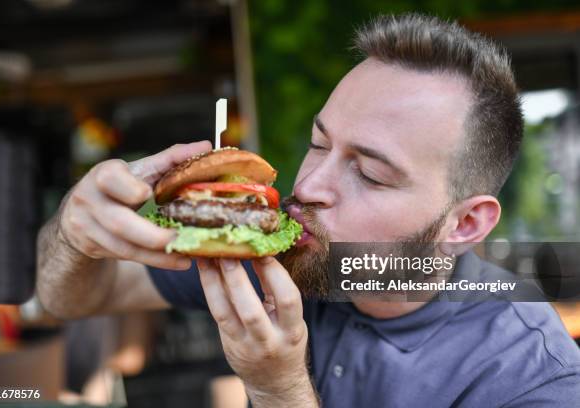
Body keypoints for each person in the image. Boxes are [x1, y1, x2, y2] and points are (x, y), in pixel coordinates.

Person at [37, 14, 580, 407]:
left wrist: (280, 390)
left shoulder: (531, 380)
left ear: (464, 224)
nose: (309, 185)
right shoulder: (285, 251)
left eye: (369, 173)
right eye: (319, 144)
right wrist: (73, 236)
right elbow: (71, 297)